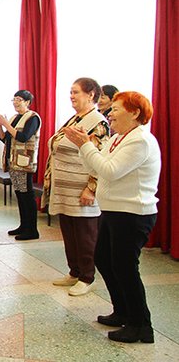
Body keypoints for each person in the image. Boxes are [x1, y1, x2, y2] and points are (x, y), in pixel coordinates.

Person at [64, 91, 160, 344]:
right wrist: (85, 148)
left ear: (135, 113)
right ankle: (122, 311)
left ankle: (141, 326)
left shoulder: (140, 141)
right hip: (114, 211)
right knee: (104, 260)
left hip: (132, 214)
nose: (110, 114)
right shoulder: (119, 138)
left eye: (116, 109)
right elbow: (95, 167)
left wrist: (85, 145)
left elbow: (110, 170)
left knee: (126, 268)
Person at [42, 77, 110, 296]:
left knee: (85, 235)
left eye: (76, 92)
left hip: (82, 188)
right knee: (70, 233)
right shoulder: (75, 118)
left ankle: (87, 277)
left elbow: (100, 156)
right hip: (65, 188)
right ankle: (74, 271)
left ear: (91, 95)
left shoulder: (97, 122)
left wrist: (91, 188)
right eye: (70, 92)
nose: (71, 96)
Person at [0, 91, 41, 240]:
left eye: (19, 100)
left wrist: (5, 123)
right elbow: (5, 139)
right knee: (19, 194)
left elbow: (23, 137)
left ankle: (32, 229)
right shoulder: (15, 117)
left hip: (24, 162)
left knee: (27, 195)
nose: (15, 102)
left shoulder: (33, 117)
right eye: (14, 99)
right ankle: (23, 225)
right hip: (13, 161)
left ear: (27, 102)